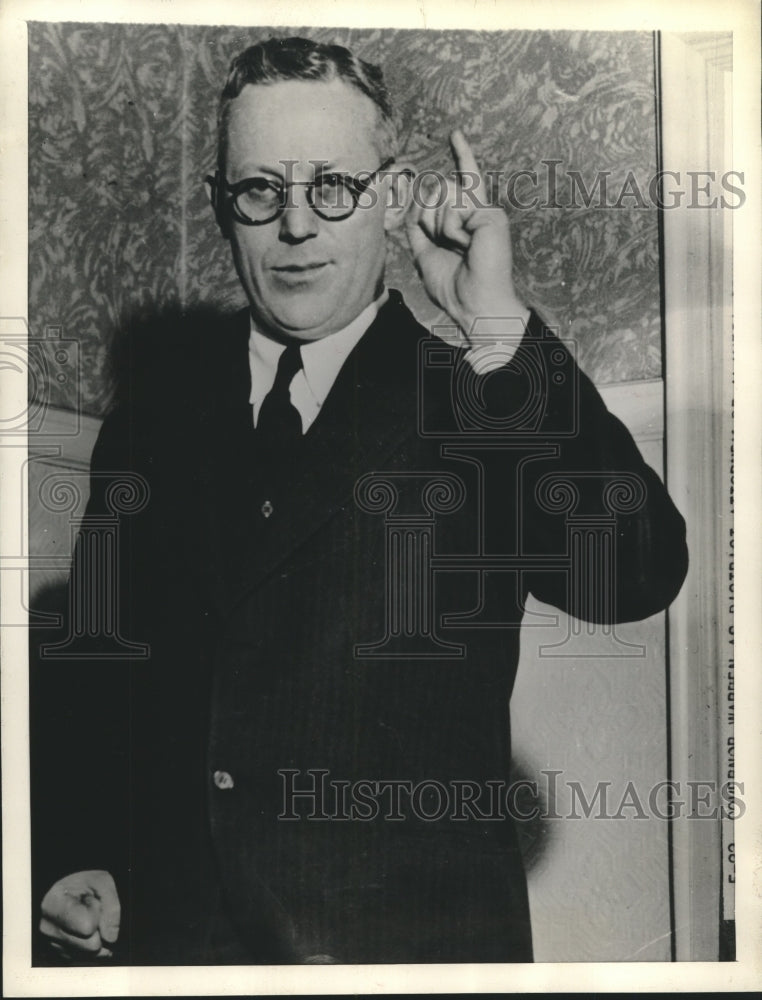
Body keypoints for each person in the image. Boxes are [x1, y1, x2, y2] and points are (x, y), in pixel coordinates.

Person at [31, 36, 688, 965]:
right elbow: (99, 680)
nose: (295, 226)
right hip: (180, 954)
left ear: (389, 196)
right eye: (261, 189)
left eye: (332, 186)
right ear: (223, 208)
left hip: (405, 957)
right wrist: (69, 855)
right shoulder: (153, 421)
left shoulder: (476, 398)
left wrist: (495, 325)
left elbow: (635, 571)